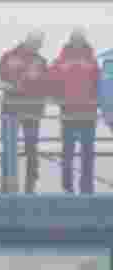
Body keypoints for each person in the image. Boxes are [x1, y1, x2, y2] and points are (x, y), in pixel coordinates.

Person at [0, 31, 49, 193]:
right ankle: (6, 181)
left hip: (32, 111)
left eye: (40, 43)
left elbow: (46, 85)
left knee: (31, 147)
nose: (38, 46)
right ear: (28, 41)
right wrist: (8, 86)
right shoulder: (9, 56)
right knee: (8, 146)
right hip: (11, 109)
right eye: (37, 42)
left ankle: (31, 184)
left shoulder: (40, 61)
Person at [47, 28, 100, 195]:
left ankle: (87, 189)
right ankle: (67, 188)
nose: (77, 42)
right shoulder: (60, 61)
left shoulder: (92, 62)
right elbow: (50, 81)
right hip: (68, 114)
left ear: (83, 41)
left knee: (87, 155)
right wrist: (56, 98)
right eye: (75, 39)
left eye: (80, 39)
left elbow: (99, 85)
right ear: (70, 41)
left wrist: (98, 101)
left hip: (88, 115)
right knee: (68, 153)